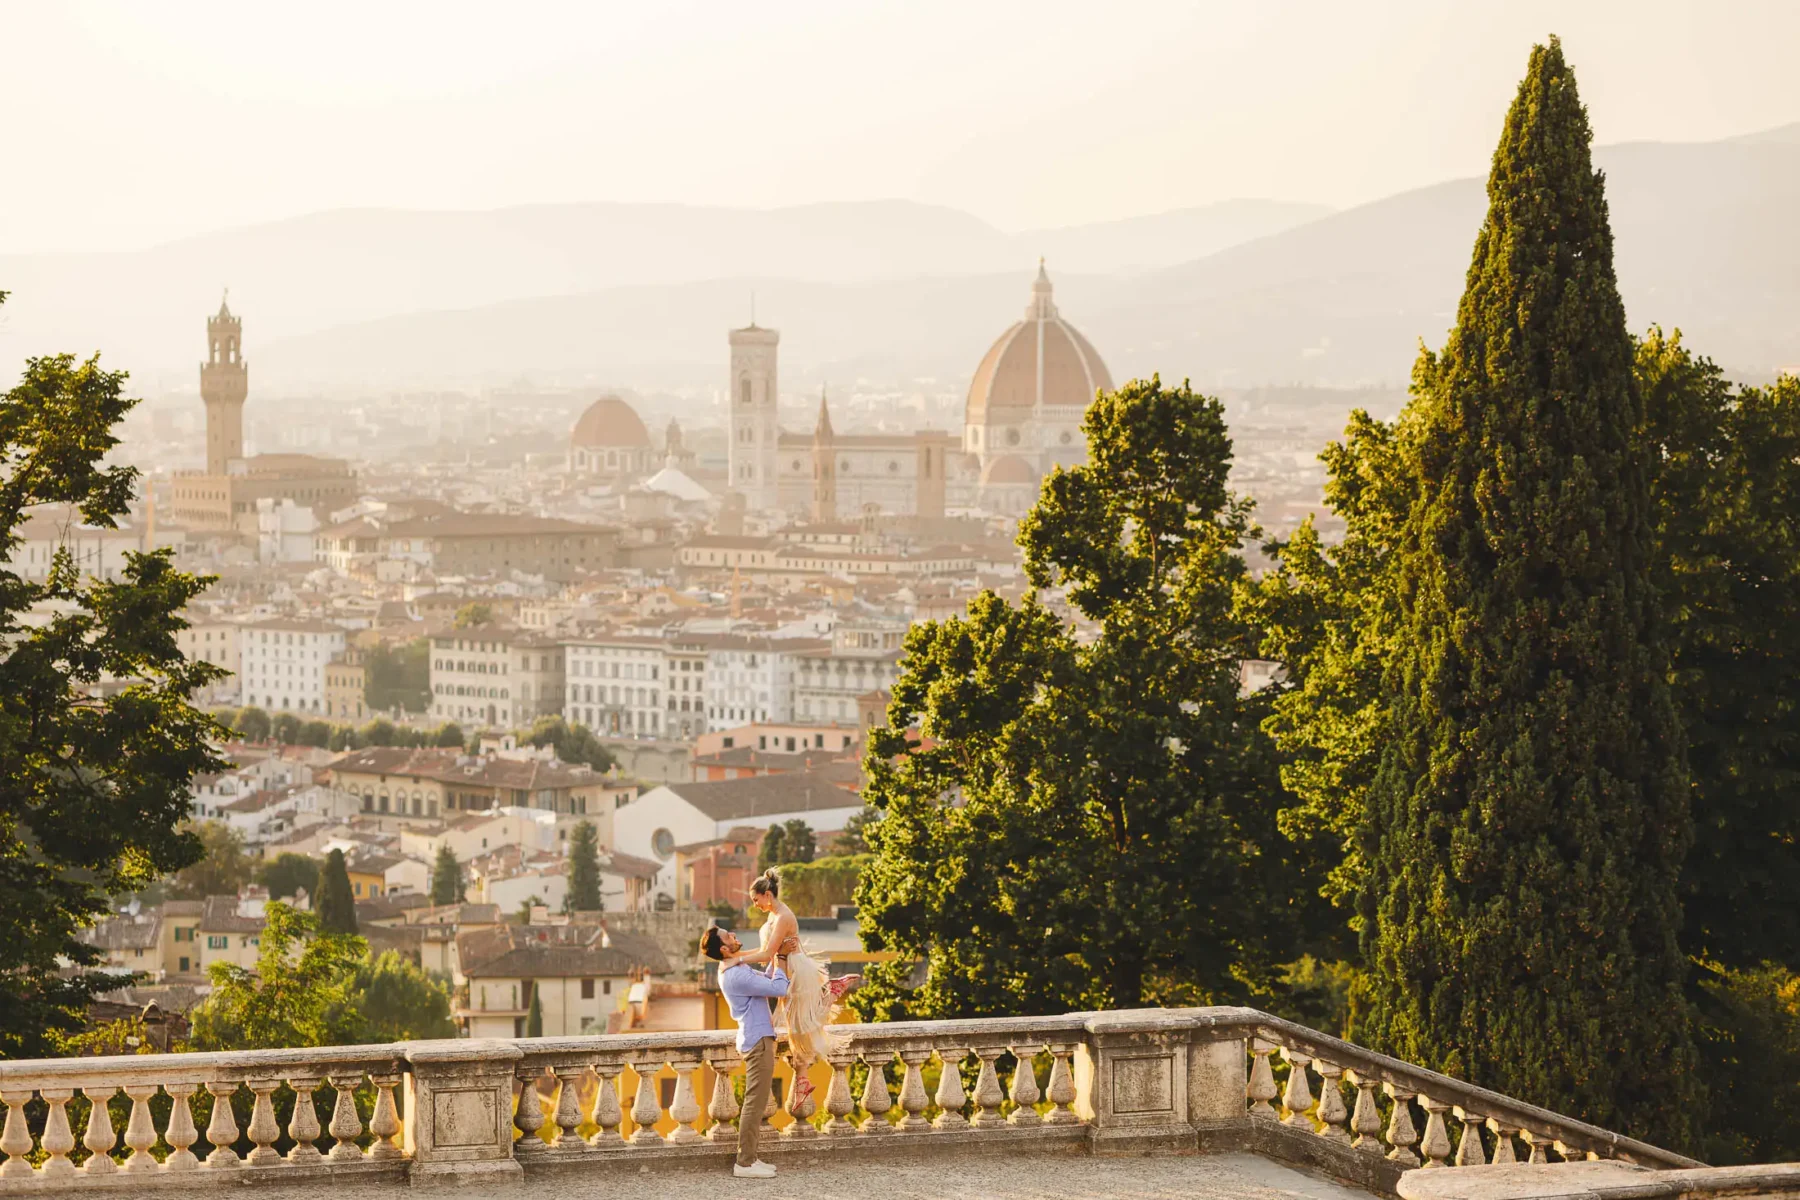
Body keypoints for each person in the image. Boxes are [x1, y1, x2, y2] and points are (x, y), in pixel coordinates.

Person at [715, 869, 854, 1111]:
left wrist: (736, 960)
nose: (755, 905)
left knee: (803, 1025)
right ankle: (803, 1081)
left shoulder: (783, 918)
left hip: (794, 972)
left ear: (767, 894)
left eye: (756, 900)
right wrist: (734, 957)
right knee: (796, 1029)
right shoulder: (774, 916)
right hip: (783, 971)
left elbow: (768, 954)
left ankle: (830, 993)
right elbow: (763, 950)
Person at [703, 923, 788, 1179]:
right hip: (758, 1040)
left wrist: (775, 956)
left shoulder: (736, 967)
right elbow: (779, 989)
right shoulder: (735, 975)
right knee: (754, 1102)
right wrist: (781, 957)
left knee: (757, 1101)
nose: (734, 936)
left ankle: (750, 1158)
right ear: (724, 949)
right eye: (729, 936)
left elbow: (766, 980)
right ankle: (745, 1162)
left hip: (759, 1037)